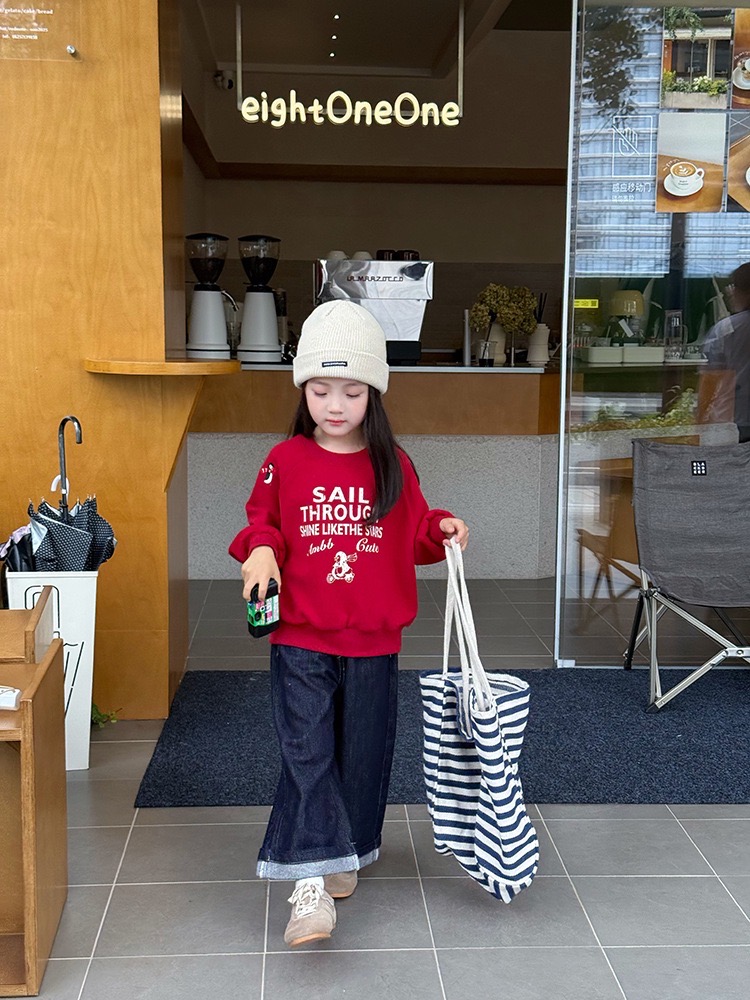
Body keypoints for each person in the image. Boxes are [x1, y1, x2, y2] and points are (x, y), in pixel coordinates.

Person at [228, 299, 468, 948]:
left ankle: (347, 848)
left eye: (352, 392)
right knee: (307, 753)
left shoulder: (393, 465)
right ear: (303, 389)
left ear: (374, 395)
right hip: (300, 637)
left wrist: (442, 528)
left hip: (373, 641)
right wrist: (259, 552)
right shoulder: (284, 460)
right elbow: (263, 524)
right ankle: (308, 886)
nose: (335, 405)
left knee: (362, 756)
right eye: (320, 390)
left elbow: (414, 533)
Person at [703, 262, 750, 442]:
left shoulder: (728, 328)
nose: (730, 292)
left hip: (737, 417)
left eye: (733, 287)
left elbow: (710, 379)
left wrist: (700, 420)